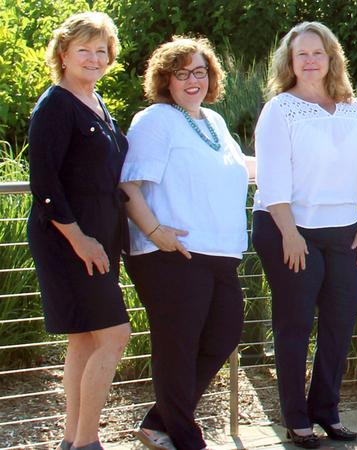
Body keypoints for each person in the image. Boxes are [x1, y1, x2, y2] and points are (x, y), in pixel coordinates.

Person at [120, 37, 254, 450]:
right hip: (170, 255)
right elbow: (128, 184)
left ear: (211, 77)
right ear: (166, 80)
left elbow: (242, 169)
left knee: (224, 332)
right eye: (181, 74)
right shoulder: (156, 119)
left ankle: (159, 422)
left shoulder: (211, 122)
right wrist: (156, 233)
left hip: (217, 252)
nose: (192, 80)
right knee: (178, 346)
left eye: (199, 72)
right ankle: (183, 437)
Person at [252, 22, 357, 449]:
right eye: (300, 53)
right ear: (290, 61)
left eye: (317, 53)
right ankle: (296, 418)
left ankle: (326, 410)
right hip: (289, 229)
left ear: (330, 59)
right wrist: (289, 233)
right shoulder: (280, 109)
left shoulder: (350, 108)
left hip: (345, 232)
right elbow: (271, 180)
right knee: (295, 324)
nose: (309, 60)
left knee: (340, 324)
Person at [26, 12, 130, 450]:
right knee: (115, 334)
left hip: (99, 238)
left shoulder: (97, 101)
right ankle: (88, 442)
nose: (93, 57)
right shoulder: (56, 104)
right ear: (63, 54)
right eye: (83, 49)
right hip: (69, 240)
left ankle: (73, 440)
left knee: (86, 337)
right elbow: (44, 184)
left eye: (101, 50)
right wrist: (79, 239)